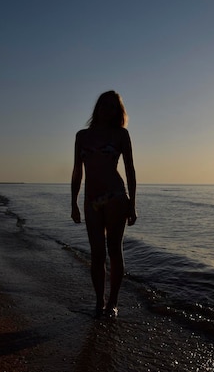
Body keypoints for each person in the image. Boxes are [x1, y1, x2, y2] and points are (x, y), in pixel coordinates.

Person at [71, 90, 137, 318]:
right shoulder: (82, 136)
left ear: (117, 111)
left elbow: (129, 170)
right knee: (97, 253)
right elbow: (77, 171)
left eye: (112, 106)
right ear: (97, 107)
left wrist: (133, 204)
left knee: (114, 250)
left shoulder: (121, 134)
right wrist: (74, 202)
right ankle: (99, 302)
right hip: (91, 201)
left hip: (116, 197)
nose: (107, 109)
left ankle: (113, 303)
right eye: (103, 105)